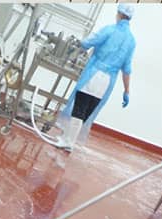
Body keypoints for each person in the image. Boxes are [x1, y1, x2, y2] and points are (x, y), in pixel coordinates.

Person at [53, 4, 136, 153]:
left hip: (93, 75)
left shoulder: (110, 30)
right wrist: (127, 91)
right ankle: (68, 138)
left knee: (79, 108)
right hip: (107, 82)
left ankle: (68, 142)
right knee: (87, 111)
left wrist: (80, 45)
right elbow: (127, 69)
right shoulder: (131, 41)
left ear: (119, 14)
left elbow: (88, 42)